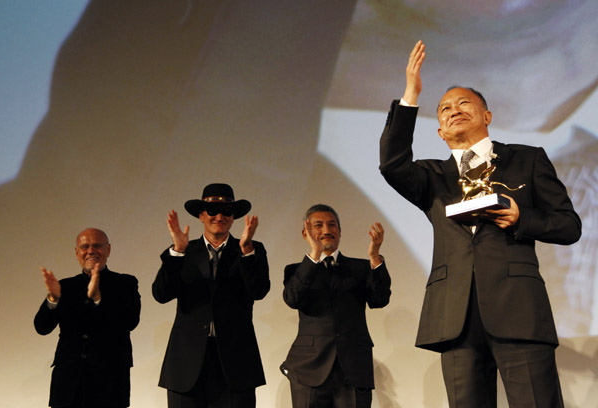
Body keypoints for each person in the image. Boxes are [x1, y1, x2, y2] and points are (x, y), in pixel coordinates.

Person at [379, 40, 582, 407]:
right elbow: (392, 164)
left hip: (518, 309)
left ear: (486, 116)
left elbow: (569, 226)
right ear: (439, 131)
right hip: (454, 315)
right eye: (444, 109)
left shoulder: (528, 160)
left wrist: (523, 219)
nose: (453, 110)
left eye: (463, 103)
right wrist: (411, 94)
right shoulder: (430, 177)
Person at [153, 183, 270, 408]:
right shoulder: (182, 250)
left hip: (236, 362)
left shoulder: (250, 249)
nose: (219, 216)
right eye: (212, 211)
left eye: (226, 211)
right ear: (201, 215)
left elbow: (259, 291)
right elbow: (161, 294)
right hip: (187, 362)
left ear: (233, 216)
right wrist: (177, 252)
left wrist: (246, 251)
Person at [280, 204, 391, 408]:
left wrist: (375, 256)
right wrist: (314, 254)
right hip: (308, 369)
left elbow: (380, 299)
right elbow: (292, 298)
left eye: (332, 225)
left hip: (353, 368)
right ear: (306, 232)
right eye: (318, 225)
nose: (326, 230)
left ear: (339, 231)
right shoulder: (296, 270)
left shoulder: (361, 268)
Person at [34, 228, 141, 408]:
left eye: (97, 245)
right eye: (85, 246)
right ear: (77, 253)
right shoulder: (64, 286)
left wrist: (98, 299)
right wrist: (52, 299)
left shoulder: (125, 283)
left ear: (108, 250)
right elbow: (42, 328)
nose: (91, 251)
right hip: (68, 384)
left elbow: (130, 321)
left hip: (110, 385)